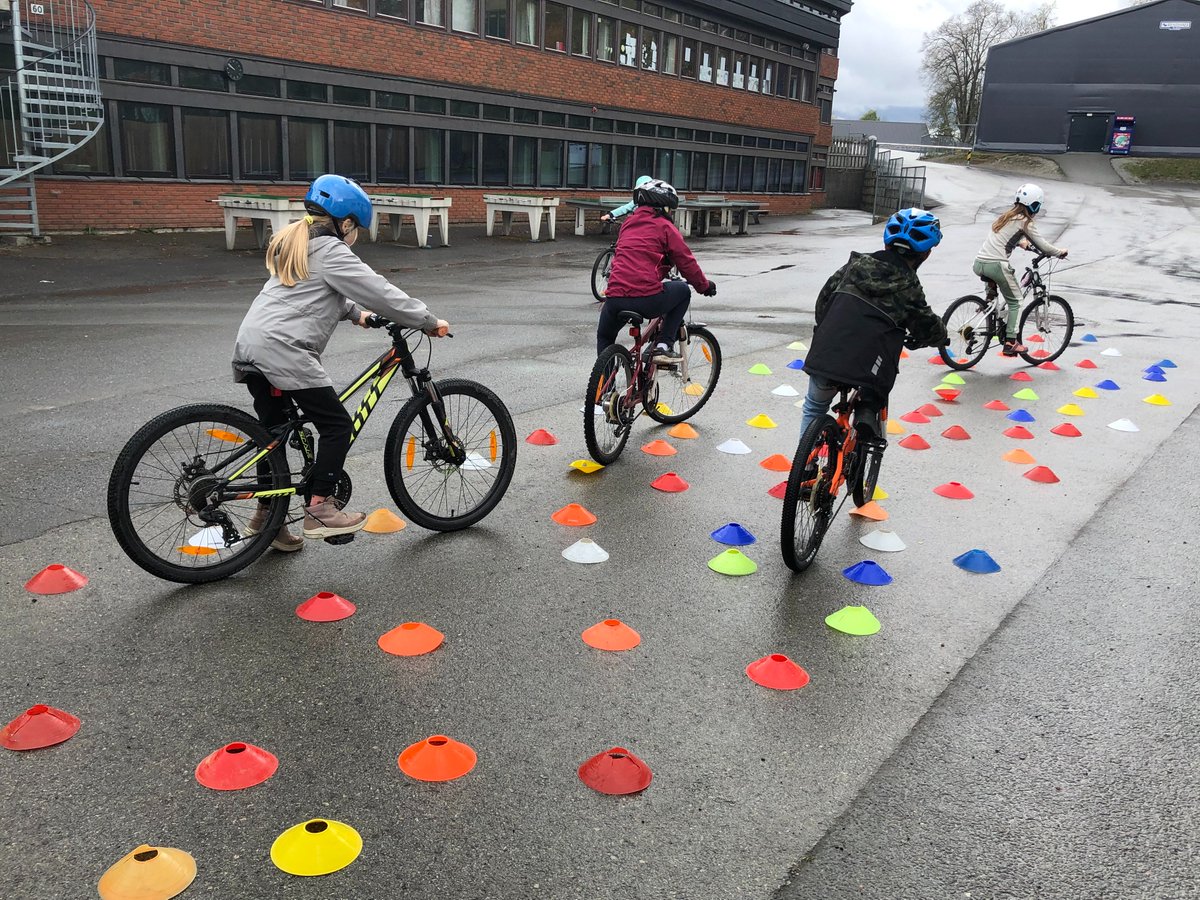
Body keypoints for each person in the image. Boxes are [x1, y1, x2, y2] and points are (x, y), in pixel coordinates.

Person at [232, 174, 450, 549]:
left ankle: (267, 518)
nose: (355, 235)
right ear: (345, 223)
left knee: (273, 436)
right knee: (337, 425)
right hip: (284, 350)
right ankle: (320, 509)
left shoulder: (300, 245)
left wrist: (356, 314)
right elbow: (379, 292)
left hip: (253, 345)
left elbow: (314, 289)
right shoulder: (331, 251)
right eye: (356, 228)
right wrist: (427, 321)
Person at [799, 208, 948, 440]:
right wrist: (941, 337)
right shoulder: (909, 286)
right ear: (926, 254)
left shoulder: (854, 266)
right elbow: (925, 325)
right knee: (877, 377)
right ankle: (867, 414)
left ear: (886, 243)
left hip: (826, 353)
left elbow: (823, 303)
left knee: (814, 407)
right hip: (869, 366)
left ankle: (805, 458)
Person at [595, 178, 716, 364]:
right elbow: (686, 261)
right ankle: (663, 346)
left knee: (604, 336)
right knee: (682, 291)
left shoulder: (628, 223)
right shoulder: (665, 227)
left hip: (614, 297)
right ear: (663, 207)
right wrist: (704, 286)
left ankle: (605, 379)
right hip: (646, 299)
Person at [973, 183, 1068, 356]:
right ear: (1035, 205)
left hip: (980, 263)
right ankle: (1010, 342)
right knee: (1016, 301)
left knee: (998, 293)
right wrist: (1059, 252)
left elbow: (1004, 237)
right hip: (996, 265)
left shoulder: (1006, 217)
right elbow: (1043, 246)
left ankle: (989, 305)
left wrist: (1020, 242)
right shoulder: (1025, 222)